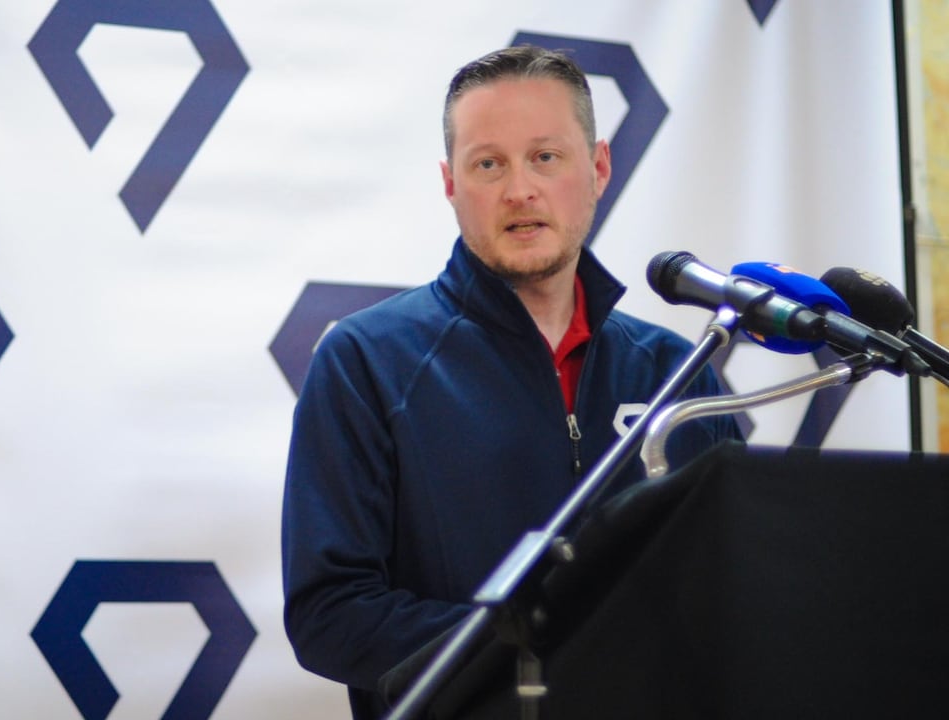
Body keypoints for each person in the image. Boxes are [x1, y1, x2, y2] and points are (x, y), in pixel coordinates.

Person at [280, 45, 741, 719]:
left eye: (545, 157)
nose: (519, 189)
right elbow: (330, 613)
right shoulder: (365, 361)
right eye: (488, 164)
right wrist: (542, 648)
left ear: (599, 168)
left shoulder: (678, 372)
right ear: (450, 183)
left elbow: (730, 596)